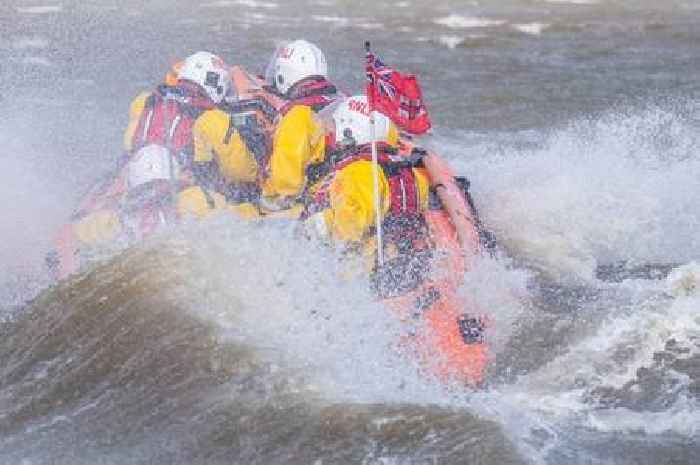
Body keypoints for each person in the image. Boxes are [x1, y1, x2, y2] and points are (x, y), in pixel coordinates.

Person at [302, 95, 432, 293]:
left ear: (350, 130)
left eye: (335, 127)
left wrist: (321, 222)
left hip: (363, 272)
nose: (331, 133)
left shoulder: (358, 172)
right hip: (401, 261)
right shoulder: (410, 171)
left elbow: (349, 230)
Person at [123, 51, 261, 219]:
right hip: (184, 194)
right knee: (249, 211)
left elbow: (130, 145)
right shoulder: (213, 118)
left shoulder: (146, 101)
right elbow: (240, 171)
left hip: (136, 188)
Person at [258, 40, 343, 214]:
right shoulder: (341, 100)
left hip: (317, 208)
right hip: (347, 195)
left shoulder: (297, 116)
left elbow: (284, 187)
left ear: (284, 75)